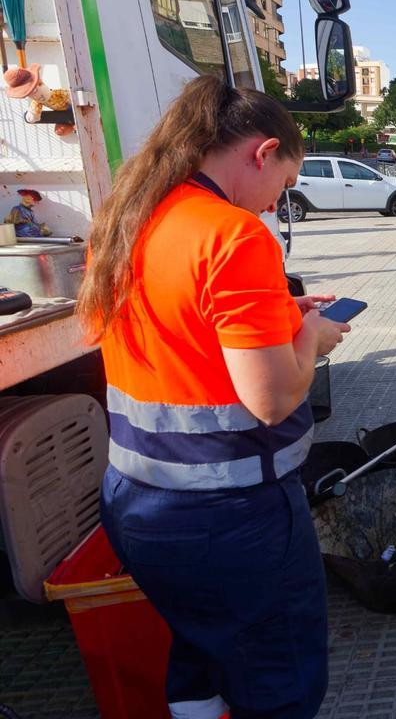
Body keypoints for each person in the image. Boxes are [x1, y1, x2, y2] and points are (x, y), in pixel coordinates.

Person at [78, 76, 350, 719]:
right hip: (230, 516)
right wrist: (311, 335)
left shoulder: (128, 217)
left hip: (135, 501)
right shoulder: (234, 236)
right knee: (279, 680)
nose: (271, 207)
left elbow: (183, 331)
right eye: (283, 186)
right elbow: (273, 400)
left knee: (199, 651)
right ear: (262, 153)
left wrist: (280, 312)